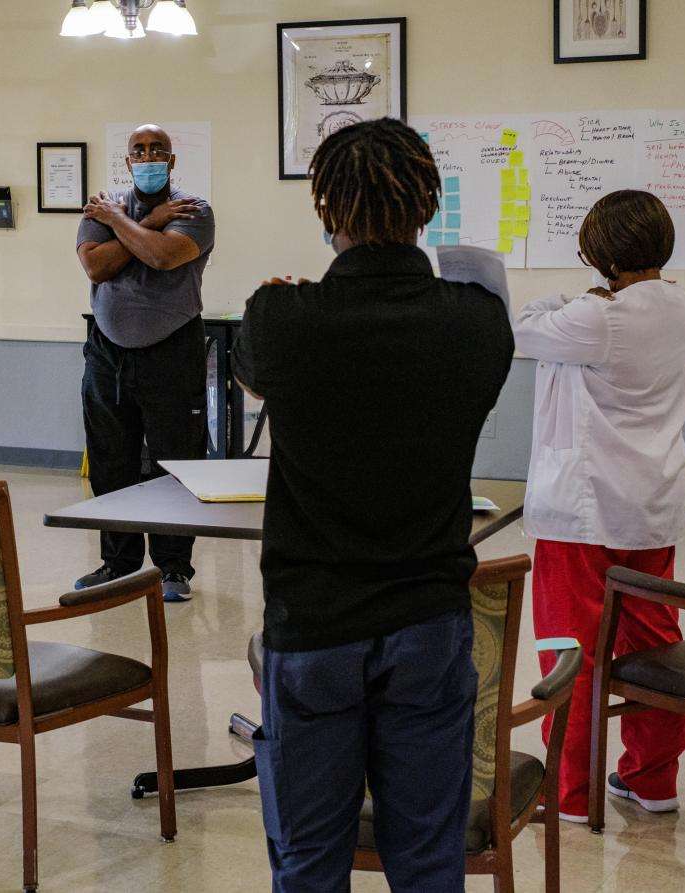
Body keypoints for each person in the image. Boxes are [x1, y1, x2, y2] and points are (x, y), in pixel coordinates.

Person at [232, 118, 513, 891]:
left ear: (327, 213)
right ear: (427, 206)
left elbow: (252, 371)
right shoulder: (476, 322)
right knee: (427, 859)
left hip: (315, 621)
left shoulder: (281, 319)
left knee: (309, 861)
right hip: (428, 616)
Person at [514, 190, 685, 824]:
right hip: (650, 504)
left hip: (583, 511)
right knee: (652, 642)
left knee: (574, 651)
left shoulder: (595, 319)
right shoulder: (678, 305)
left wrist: (576, 298)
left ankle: (569, 790)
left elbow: (524, 326)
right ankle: (653, 779)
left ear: (599, 253)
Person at [75, 124, 215, 602]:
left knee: (175, 465)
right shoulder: (102, 208)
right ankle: (117, 564)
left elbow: (160, 258)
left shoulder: (194, 210)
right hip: (108, 353)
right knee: (111, 463)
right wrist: (142, 220)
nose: (149, 156)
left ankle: (173, 569)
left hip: (172, 351)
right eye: (140, 150)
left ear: (172, 161)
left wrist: (131, 225)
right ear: (128, 160)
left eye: (158, 150)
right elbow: (97, 266)